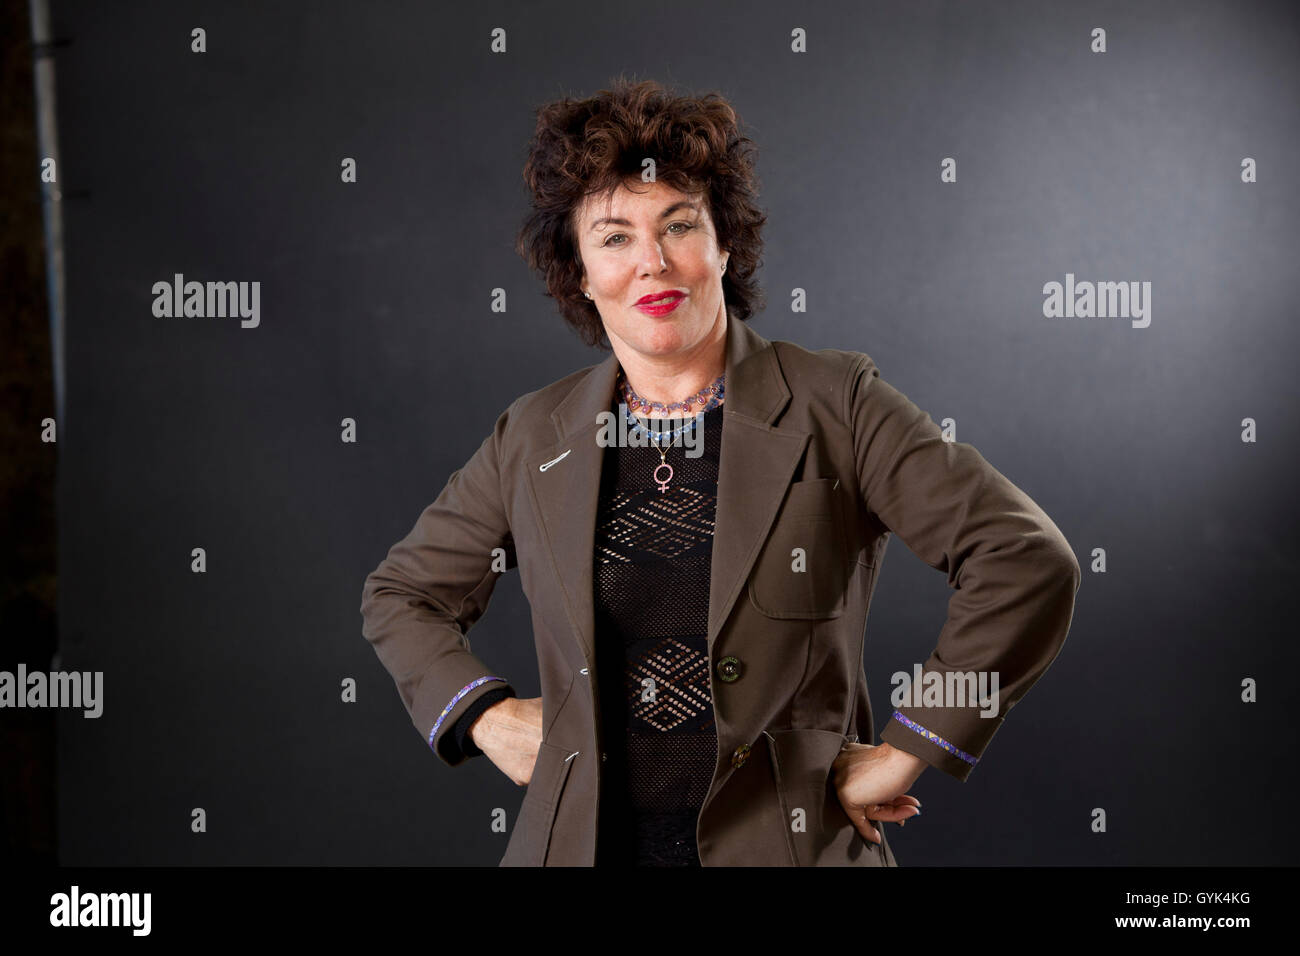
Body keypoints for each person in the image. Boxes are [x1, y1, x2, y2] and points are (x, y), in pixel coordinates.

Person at [360, 77, 1081, 867]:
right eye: (614, 237)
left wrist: (912, 744)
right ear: (578, 269)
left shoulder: (836, 401)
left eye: (680, 225)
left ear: (724, 242)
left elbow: (1023, 559)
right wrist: (485, 717)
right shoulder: (534, 432)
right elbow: (403, 595)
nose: (653, 263)